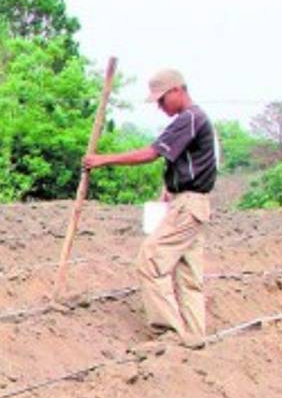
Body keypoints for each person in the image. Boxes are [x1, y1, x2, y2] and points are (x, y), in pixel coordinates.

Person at [83, 69, 216, 350]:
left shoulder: (189, 118)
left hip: (189, 205)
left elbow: (151, 153)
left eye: (161, 99)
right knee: (188, 272)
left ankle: (168, 333)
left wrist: (103, 159)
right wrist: (170, 188)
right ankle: (194, 335)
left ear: (177, 91)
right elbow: (187, 162)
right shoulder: (196, 119)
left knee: (151, 260)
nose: (160, 106)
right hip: (193, 204)